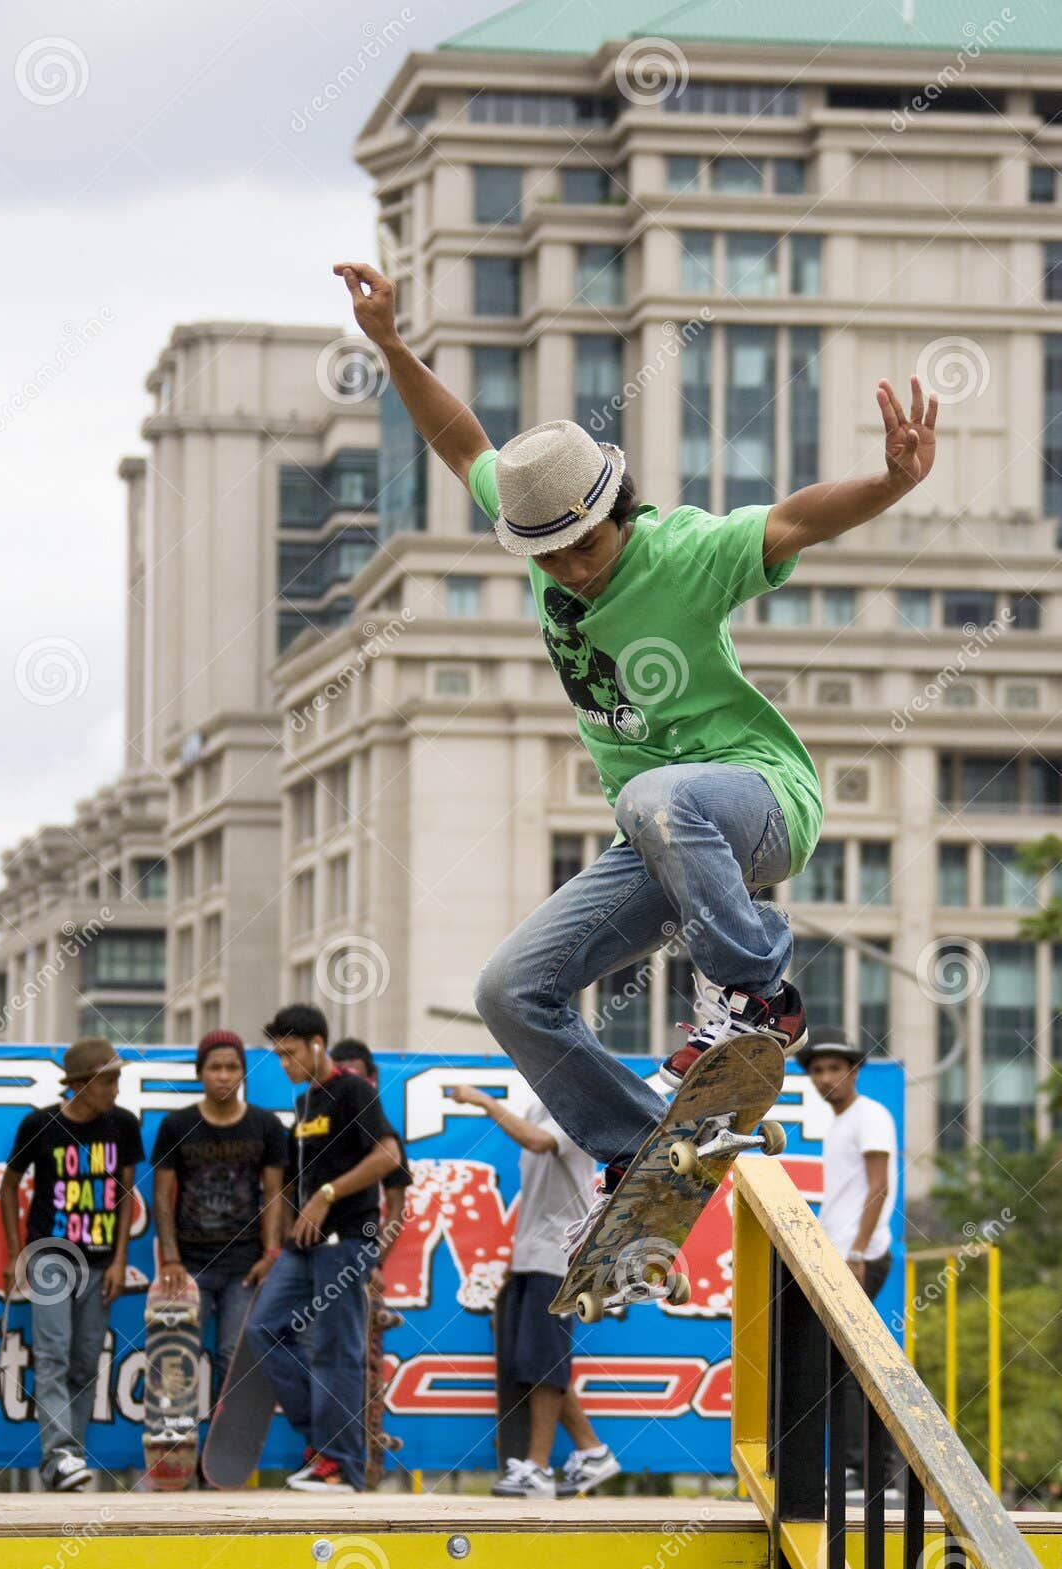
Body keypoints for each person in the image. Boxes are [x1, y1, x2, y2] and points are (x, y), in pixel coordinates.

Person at [335, 259, 938, 1260]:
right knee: (507, 990)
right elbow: (465, 445)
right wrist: (394, 344)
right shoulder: (536, 536)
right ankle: (642, 1142)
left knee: (658, 792)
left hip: (758, 800)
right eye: (551, 557)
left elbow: (792, 519)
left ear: (620, 510)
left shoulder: (684, 551)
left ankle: (757, 994)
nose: (572, 569)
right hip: (663, 847)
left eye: (586, 547)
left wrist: (890, 481)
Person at [249, 1005, 400, 1491]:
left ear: (317, 1044)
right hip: (302, 1246)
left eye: (290, 1053)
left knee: (338, 1351)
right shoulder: (304, 1106)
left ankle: (341, 1465)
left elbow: (388, 1157)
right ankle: (323, 1439)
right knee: (265, 1329)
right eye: (277, 1056)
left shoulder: (354, 1091)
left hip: (347, 1239)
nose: (284, 1065)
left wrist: (327, 1194)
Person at [448, 1083, 621, 1498]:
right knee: (533, 1361)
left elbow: (539, 1142)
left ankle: (539, 1468)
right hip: (530, 1259)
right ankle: (591, 1451)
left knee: (543, 1364)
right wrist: (513, 1267)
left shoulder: (580, 1110)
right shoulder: (540, 1107)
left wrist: (484, 1101)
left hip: (558, 1258)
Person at [0, 1038, 143, 1492]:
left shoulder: (123, 1125)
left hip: (101, 1262)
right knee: (53, 1353)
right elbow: (9, 1186)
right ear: (81, 1085)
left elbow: (124, 1196)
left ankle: (68, 1462)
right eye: (109, 1080)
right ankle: (58, 1453)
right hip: (50, 1257)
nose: (117, 1089)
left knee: (84, 1361)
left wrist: (121, 1258)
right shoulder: (38, 1126)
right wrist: (15, 1251)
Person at [151, 1031, 287, 1394]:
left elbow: (275, 1195)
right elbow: (162, 1196)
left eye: (232, 1067)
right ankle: (176, 1444)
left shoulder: (266, 1126)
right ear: (200, 1073)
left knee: (234, 1357)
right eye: (215, 1068)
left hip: (244, 1265)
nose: (224, 1075)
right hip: (188, 1266)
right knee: (177, 1357)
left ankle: (222, 1450)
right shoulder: (176, 1126)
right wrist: (171, 1258)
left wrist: (272, 1253)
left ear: (243, 1072)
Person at [799, 1026, 899, 1495]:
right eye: (817, 1070)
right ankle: (859, 1471)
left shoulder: (870, 1115)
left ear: (855, 1070)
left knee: (850, 1364)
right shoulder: (840, 1122)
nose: (825, 1078)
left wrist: (857, 1251)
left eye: (835, 1068)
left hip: (862, 1255)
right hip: (840, 1255)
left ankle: (870, 1473)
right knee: (841, 1364)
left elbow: (878, 1187)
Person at [329, 1036, 412, 1265]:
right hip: (309, 1251)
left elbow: (396, 1208)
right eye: (341, 1078)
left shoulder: (384, 1137)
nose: (349, 1087)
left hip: (355, 1250)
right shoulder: (311, 1125)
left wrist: (374, 1263)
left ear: (372, 1078)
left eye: (355, 1078)